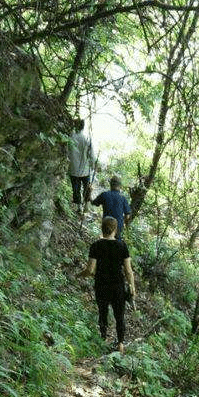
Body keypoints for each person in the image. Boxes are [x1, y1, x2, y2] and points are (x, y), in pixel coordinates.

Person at [80, 216, 136, 354]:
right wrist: (132, 286)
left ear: (102, 228)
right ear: (115, 230)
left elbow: (90, 269)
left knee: (103, 312)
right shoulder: (122, 246)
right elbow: (128, 271)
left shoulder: (96, 245)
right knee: (119, 315)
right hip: (118, 285)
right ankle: (121, 343)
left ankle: (103, 339)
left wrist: (80, 275)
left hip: (101, 285)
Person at [68, 118, 95, 207]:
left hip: (73, 169)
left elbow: (66, 152)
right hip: (85, 169)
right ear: (83, 127)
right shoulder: (87, 138)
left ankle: (79, 206)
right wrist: (93, 165)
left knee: (76, 189)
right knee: (86, 188)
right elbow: (91, 154)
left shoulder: (70, 137)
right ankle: (86, 205)